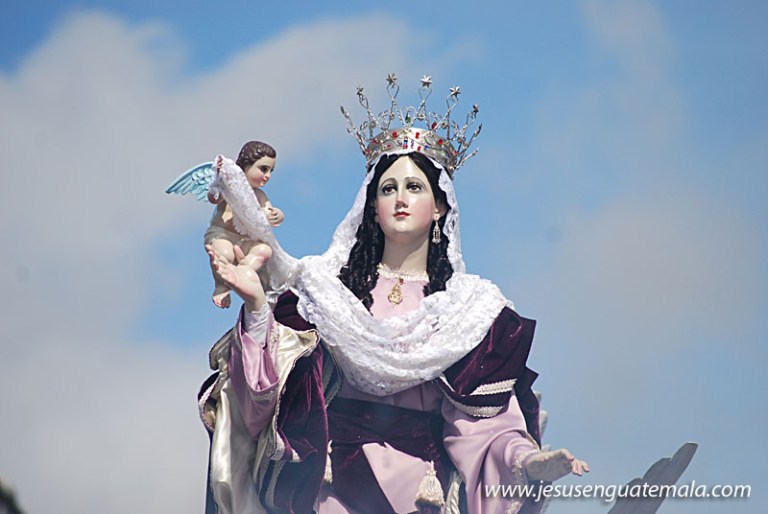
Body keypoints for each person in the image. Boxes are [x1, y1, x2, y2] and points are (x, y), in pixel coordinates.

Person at [198, 76, 588, 514]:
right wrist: (255, 309)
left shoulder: (469, 312)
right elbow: (262, 408)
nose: (400, 198)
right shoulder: (323, 294)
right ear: (372, 205)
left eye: (415, 187)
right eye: (388, 188)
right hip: (329, 493)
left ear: (440, 206)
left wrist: (527, 462)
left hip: (421, 496)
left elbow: (482, 431)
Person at [205, 141, 284, 308]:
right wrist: (219, 179)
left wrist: (277, 215)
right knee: (225, 253)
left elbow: (268, 211)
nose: (268, 175)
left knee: (264, 250)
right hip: (223, 235)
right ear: (245, 166)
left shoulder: (259, 194)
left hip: (244, 242)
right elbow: (214, 198)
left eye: (271, 171)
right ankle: (221, 285)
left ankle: (243, 272)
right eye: (263, 169)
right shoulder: (230, 186)